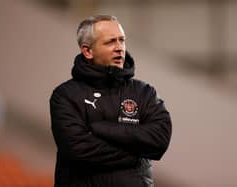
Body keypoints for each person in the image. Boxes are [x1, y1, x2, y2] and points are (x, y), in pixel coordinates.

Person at [50, 15, 172, 187]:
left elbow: (159, 139)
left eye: (122, 40)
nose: (119, 48)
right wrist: (136, 154)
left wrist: (102, 129)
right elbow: (78, 150)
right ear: (87, 51)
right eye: (110, 42)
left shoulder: (144, 92)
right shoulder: (65, 95)